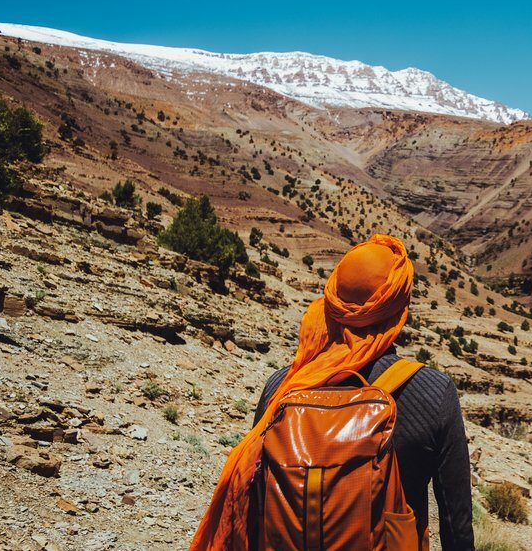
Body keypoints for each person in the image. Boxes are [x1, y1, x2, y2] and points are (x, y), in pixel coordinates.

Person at [190, 234, 474, 550]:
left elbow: (252, 502)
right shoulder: (434, 393)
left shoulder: (284, 388)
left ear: (332, 302)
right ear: (399, 307)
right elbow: (456, 525)